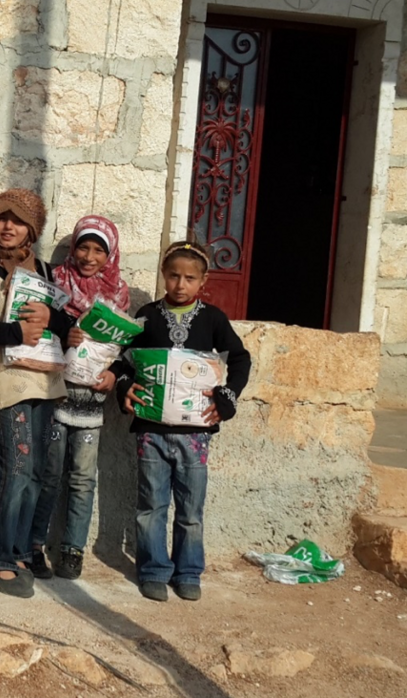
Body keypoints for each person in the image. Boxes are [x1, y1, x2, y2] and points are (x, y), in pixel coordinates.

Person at [113, 241, 251, 602]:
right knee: (151, 506)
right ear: (163, 275)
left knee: (190, 510)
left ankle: (188, 572)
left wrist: (226, 398)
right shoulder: (147, 316)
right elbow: (122, 362)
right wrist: (126, 387)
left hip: (195, 434)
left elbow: (239, 359)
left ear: (202, 281)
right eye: (173, 276)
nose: (180, 284)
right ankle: (154, 570)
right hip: (152, 432)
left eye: (190, 278)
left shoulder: (213, 319)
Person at [0, 188, 72, 599]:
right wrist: (12, 333)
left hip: (45, 382)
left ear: (33, 230)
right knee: (16, 469)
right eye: (2, 218)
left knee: (40, 471)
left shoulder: (42, 269)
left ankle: (19, 549)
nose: (8, 227)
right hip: (6, 381)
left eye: (18, 221)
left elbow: (61, 321)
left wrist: (52, 318)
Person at [27, 216, 130, 581]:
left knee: (83, 478)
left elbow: (122, 348)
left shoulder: (119, 292)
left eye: (98, 250)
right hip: (54, 395)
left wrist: (114, 374)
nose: (88, 256)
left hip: (91, 403)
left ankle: (73, 549)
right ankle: (34, 546)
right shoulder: (56, 282)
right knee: (49, 473)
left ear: (110, 254)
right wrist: (63, 332)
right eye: (83, 247)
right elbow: (36, 329)